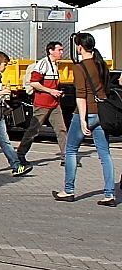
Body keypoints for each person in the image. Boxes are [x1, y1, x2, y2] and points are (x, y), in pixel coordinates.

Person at [52, 32, 116, 206]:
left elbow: (81, 95)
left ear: (80, 47)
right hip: (102, 113)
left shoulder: (79, 67)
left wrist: (82, 120)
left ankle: (68, 190)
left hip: (87, 113)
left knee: (71, 150)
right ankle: (109, 194)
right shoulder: (101, 64)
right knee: (104, 154)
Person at [17, 41, 68, 166]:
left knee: (61, 130)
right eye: (59, 50)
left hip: (54, 104)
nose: (62, 52)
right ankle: (20, 154)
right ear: (51, 51)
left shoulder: (55, 65)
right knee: (33, 130)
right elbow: (34, 82)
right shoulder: (43, 64)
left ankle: (66, 157)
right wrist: (51, 91)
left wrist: (56, 92)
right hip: (42, 104)